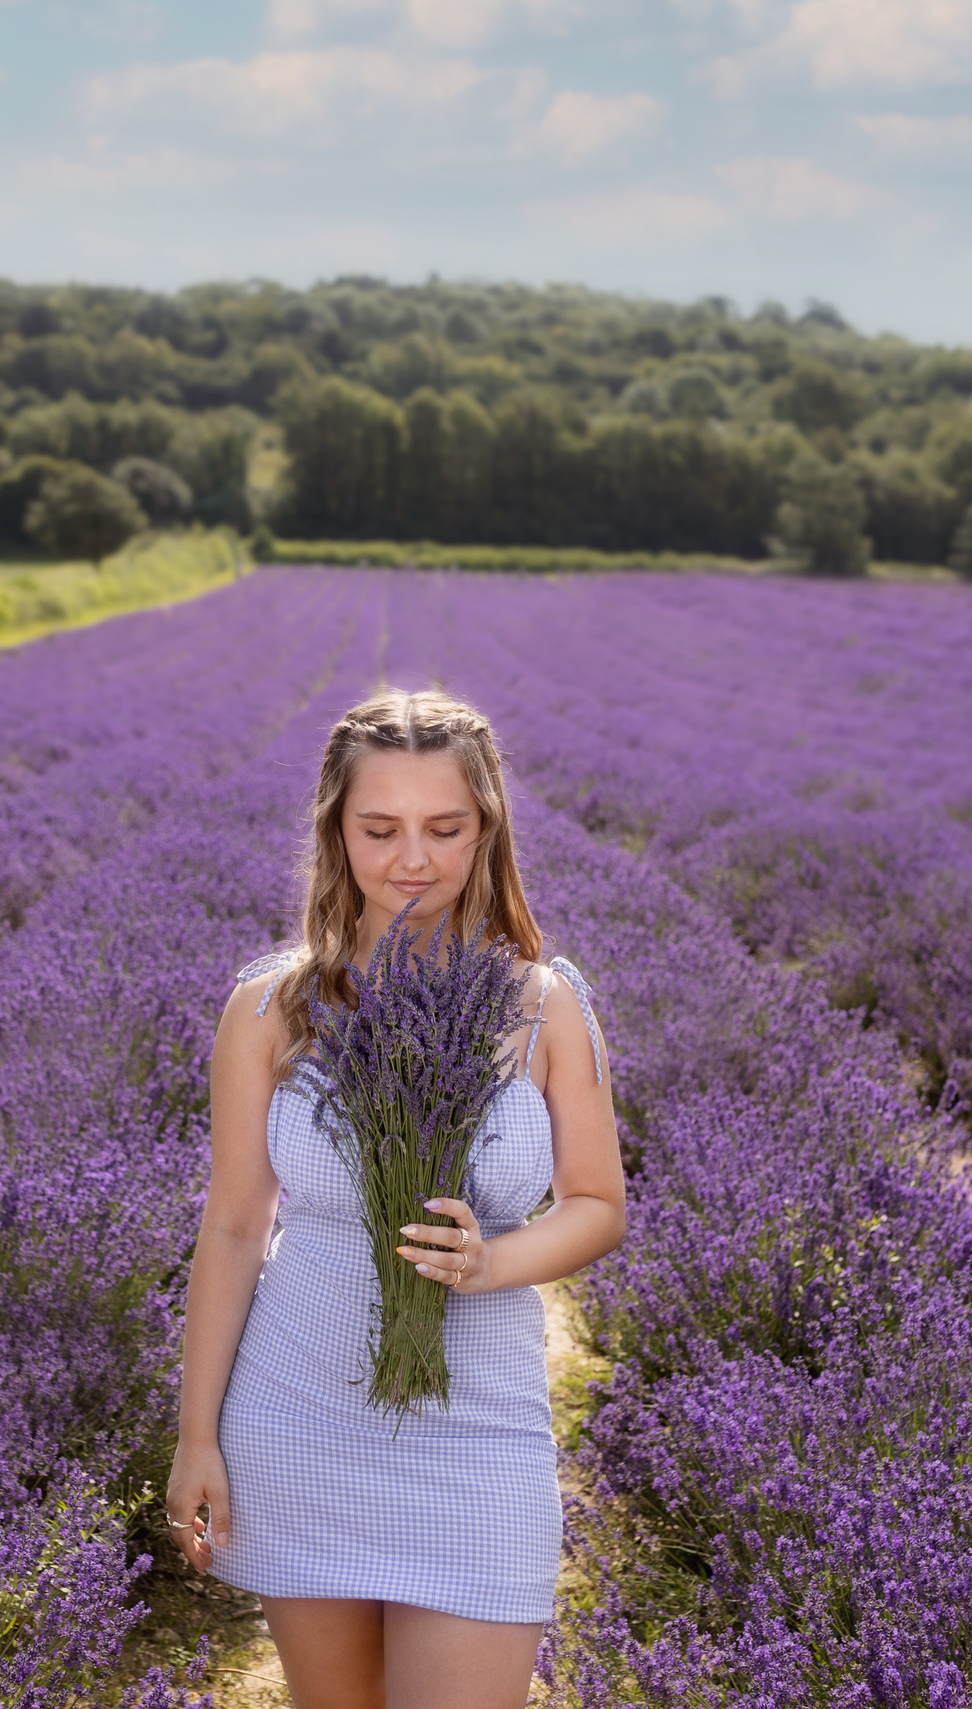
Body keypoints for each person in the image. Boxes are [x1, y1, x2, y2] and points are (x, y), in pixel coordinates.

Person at [166, 688, 625, 1709]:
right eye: (379, 828)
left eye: (443, 827)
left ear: (487, 828)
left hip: (481, 1428)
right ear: (335, 828)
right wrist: (197, 1434)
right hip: (298, 1412)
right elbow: (236, 1226)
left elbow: (598, 1200)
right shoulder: (271, 1007)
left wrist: (491, 1261)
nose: (411, 856)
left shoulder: (545, 1004)